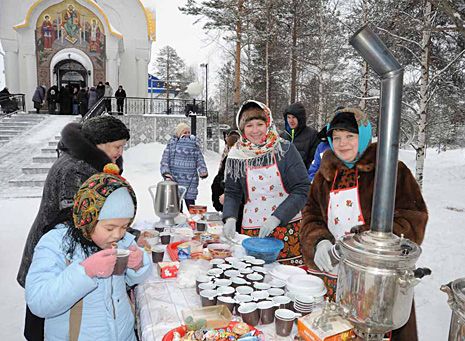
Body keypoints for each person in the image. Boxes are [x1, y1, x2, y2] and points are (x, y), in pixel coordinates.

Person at [300, 107, 428, 340]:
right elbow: (311, 215)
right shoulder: (325, 174)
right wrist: (318, 242)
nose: (342, 144)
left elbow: (413, 217)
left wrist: (361, 245)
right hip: (334, 278)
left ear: (365, 136)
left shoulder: (390, 170)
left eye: (350, 136)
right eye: (336, 137)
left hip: (378, 280)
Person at [17, 115, 130, 340]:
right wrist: (116, 230)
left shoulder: (88, 163)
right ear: (100, 142)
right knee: (49, 315)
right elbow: (77, 218)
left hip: (63, 247)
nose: (120, 152)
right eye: (117, 146)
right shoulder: (75, 168)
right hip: (56, 249)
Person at [25, 169, 151, 340]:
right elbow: (38, 301)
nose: (118, 235)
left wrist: (139, 264)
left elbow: (132, 279)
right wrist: (85, 272)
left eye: (124, 226)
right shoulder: (55, 243)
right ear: (88, 218)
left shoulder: (122, 240)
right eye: (110, 228)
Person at [222, 100, 310, 265]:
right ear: (242, 128)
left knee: (286, 280)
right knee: (255, 280)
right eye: (249, 125)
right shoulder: (236, 156)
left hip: (287, 228)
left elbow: (302, 188)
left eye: (260, 124)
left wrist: (277, 217)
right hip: (251, 232)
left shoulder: (284, 149)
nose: (255, 131)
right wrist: (230, 217)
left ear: (267, 123)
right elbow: (232, 193)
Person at [160, 122, 208, 210]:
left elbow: (199, 159)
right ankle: (179, 217)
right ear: (178, 134)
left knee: (190, 202)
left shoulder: (194, 145)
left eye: (188, 132)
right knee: (176, 202)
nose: (187, 135)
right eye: (184, 132)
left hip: (191, 178)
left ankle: (192, 219)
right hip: (175, 178)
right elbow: (165, 160)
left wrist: (202, 170)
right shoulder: (172, 145)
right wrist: (166, 173)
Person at [211, 130, 242, 232]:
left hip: (246, 215)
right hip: (230, 213)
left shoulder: (246, 159)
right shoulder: (227, 160)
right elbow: (219, 180)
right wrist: (219, 200)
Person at [281, 102, 319, 169]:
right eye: (288, 117)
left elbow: (313, 162)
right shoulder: (282, 137)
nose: (291, 120)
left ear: (300, 119)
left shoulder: (313, 135)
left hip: (303, 177)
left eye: (294, 117)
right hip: (284, 177)